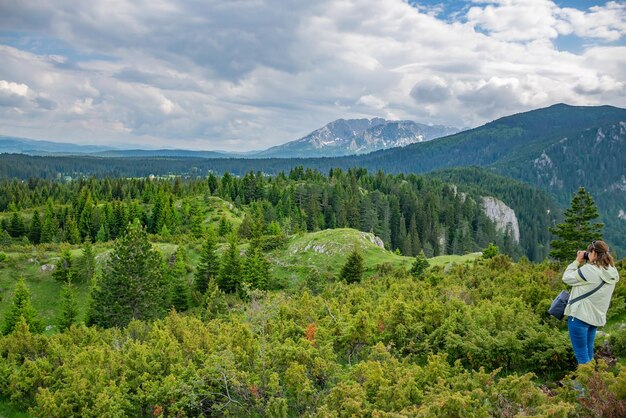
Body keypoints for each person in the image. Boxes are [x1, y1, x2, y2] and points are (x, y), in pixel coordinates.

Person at [562, 240, 620, 364]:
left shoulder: (588, 270)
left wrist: (577, 261)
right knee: (588, 352)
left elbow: (566, 277)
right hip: (595, 319)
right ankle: (594, 381)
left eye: (589, 252)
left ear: (593, 252)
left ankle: (584, 383)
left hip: (579, 317)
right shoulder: (613, 272)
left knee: (582, 354)